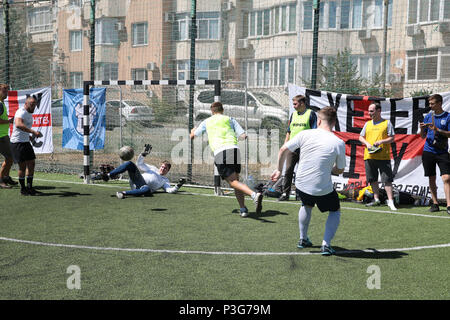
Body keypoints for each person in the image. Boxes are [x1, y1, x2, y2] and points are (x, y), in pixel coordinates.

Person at [271, 107, 346, 255]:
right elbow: (340, 170)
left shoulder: (305, 134)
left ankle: (303, 239)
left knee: (306, 203)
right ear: (335, 122)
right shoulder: (338, 143)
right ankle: (325, 244)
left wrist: (279, 170)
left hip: (301, 183)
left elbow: (282, 150)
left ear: (318, 120)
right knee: (335, 210)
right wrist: (330, 169)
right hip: (321, 187)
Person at [190, 101, 263, 217]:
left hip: (221, 152)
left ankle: (254, 195)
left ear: (212, 111)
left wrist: (192, 131)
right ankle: (243, 209)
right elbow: (243, 135)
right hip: (234, 150)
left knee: (233, 182)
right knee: (236, 181)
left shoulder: (207, 121)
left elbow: (193, 136)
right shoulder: (229, 119)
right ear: (222, 110)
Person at [358, 102, 397, 211]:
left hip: (383, 156)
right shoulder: (367, 124)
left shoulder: (386, 123)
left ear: (379, 111)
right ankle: (376, 200)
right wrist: (367, 143)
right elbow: (360, 137)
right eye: (369, 111)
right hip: (369, 156)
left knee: (387, 180)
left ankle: (390, 202)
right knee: (372, 179)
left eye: (372, 111)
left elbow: (392, 138)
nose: (369, 113)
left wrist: (381, 141)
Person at [108, 145, 185, 199]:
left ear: (168, 171)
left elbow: (170, 190)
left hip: (143, 188)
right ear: (160, 166)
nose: (163, 168)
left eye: (165, 168)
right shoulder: (153, 168)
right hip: (137, 179)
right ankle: (108, 175)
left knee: (147, 189)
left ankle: (123, 193)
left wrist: (178, 185)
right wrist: (143, 155)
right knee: (129, 164)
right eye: (162, 167)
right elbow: (139, 164)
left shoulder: (165, 181)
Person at [278, 95, 317, 201]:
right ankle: (285, 193)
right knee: (288, 170)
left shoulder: (311, 114)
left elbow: (314, 131)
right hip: (292, 148)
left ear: (302, 103)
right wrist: (286, 144)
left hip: (305, 148)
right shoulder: (293, 114)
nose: (293, 106)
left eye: (295, 104)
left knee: (303, 172)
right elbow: (289, 131)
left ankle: (301, 194)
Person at [419, 94, 450, 214]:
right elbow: (422, 136)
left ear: (439, 103)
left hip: (442, 152)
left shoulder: (447, 116)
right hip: (428, 151)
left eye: (432, 104)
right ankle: (435, 203)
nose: (430, 106)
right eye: (429, 104)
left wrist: (437, 130)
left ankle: (448, 205)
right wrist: (422, 128)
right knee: (431, 178)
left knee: (447, 178)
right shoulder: (428, 116)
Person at [10, 95, 42, 195]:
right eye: (31, 105)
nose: (33, 107)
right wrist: (33, 131)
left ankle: (29, 188)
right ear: (26, 104)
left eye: (34, 105)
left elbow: (23, 128)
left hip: (25, 142)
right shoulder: (21, 112)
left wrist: (28, 136)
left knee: (31, 163)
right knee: (22, 167)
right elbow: (19, 124)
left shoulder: (29, 113)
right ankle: (23, 189)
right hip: (17, 143)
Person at [0, 84, 17, 188]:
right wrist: (9, 121)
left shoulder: (2, 103)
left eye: (7, 91)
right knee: (10, 157)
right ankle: (2, 180)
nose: (6, 92)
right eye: (4, 91)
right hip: (1, 136)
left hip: (3, 135)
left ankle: (6, 177)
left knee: (10, 158)